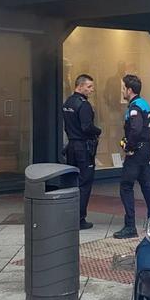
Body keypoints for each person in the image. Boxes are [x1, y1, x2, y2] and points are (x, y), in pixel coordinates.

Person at [114, 74, 150, 239]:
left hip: (137, 152)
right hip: (145, 150)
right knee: (146, 184)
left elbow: (136, 129)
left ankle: (130, 226)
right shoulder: (144, 103)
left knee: (126, 186)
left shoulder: (134, 107)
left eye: (123, 88)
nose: (122, 91)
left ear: (129, 90)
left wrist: (129, 146)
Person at [62, 74, 102, 230]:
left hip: (71, 145)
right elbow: (87, 127)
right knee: (85, 183)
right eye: (89, 86)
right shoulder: (83, 104)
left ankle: (68, 215)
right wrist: (98, 131)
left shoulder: (68, 102)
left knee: (71, 181)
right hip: (83, 148)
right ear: (79, 86)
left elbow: (67, 126)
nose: (92, 90)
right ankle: (80, 218)